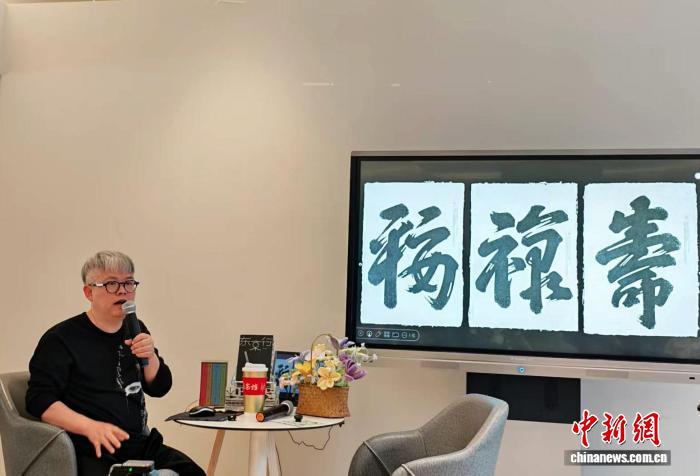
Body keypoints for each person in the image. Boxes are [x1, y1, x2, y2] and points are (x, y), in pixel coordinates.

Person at [26, 251, 205, 476]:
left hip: (139, 444)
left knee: (193, 472)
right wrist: (90, 427)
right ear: (89, 292)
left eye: (129, 283)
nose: (122, 291)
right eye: (111, 284)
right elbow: (39, 400)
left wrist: (150, 357)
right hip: (91, 448)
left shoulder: (135, 327)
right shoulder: (61, 339)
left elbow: (159, 387)